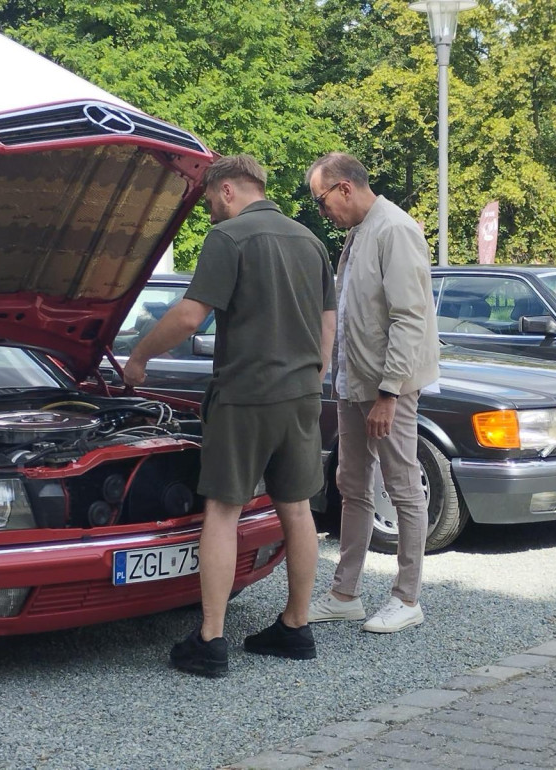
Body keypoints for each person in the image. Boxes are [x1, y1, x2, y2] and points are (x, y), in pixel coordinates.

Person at [123, 154, 336, 677]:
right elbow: (329, 320)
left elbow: (189, 315)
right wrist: (313, 376)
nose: (208, 212)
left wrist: (139, 356)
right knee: (297, 508)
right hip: (301, 395)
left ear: (226, 190)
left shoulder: (229, 237)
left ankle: (210, 639)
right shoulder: (309, 240)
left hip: (245, 398)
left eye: (208, 201)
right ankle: (296, 627)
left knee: (222, 510)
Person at [305, 152, 440, 634]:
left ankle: (407, 597)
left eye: (321, 201)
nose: (322, 212)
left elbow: (409, 317)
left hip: (385, 389)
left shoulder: (395, 229)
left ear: (344, 187)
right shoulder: (359, 233)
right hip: (354, 383)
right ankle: (345, 594)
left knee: (403, 486)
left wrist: (389, 393)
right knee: (352, 484)